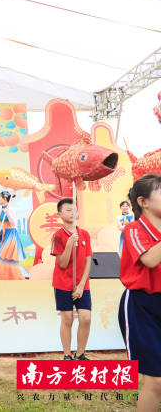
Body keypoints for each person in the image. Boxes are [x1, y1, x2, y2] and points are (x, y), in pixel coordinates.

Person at [118, 174, 161, 411]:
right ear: (143, 202)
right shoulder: (134, 229)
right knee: (155, 380)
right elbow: (151, 259)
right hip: (141, 306)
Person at [51, 198, 92, 360]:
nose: (72, 212)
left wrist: (81, 285)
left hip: (82, 284)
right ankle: (67, 354)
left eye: (74, 209)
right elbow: (62, 263)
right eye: (67, 210)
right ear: (60, 214)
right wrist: (69, 244)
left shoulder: (85, 234)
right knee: (67, 318)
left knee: (86, 318)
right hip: (62, 283)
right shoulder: (58, 236)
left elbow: (89, 260)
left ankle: (80, 353)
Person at [0, 190, 26, 280]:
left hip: (11, 235)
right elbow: (0, 225)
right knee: (0, 254)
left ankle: (12, 277)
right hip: (3, 235)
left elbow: (13, 223)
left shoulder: (10, 209)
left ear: (5, 198)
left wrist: (8, 213)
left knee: (8, 255)